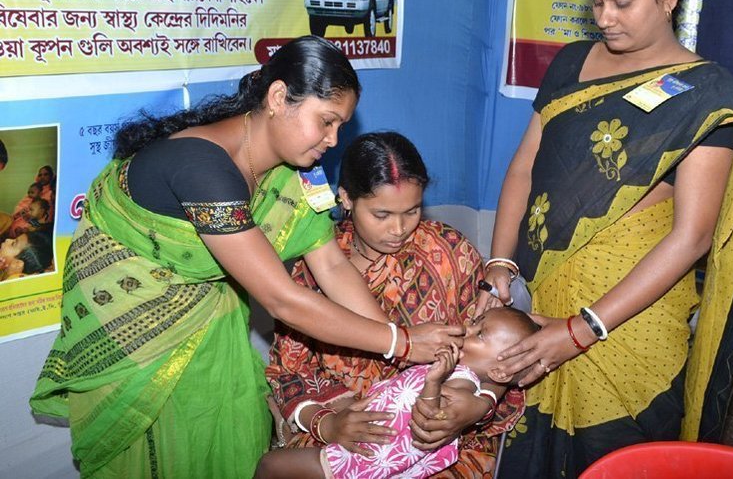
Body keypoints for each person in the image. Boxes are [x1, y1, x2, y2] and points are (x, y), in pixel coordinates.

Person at [29, 36, 463, 479]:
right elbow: (282, 300)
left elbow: (331, 265)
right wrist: (401, 343)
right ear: (278, 98)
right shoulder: (201, 167)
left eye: (340, 126)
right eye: (326, 121)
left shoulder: (298, 172)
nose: (333, 140)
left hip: (212, 336)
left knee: (230, 448)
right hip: (138, 345)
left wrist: (401, 346)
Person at [475, 0, 733, 478]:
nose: (605, 18)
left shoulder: (707, 97)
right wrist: (500, 262)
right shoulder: (571, 64)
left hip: (626, 318)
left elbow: (693, 237)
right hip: (541, 289)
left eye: (621, 2)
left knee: (613, 456)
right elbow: (524, 168)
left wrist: (582, 329)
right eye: (596, 2)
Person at [265, 131, 524, 477]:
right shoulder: (314, 268)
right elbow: (291, 371)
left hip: (440, 440)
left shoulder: (449, 254)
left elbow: (502, 352)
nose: (399, 229)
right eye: (382, 214)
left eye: (412, 211)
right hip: (345, 433)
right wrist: (327, 424)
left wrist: (480, 405)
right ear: (346, 198)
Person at [257, 307, 539, 479]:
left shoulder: (463, 383)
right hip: (369, 450)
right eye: (475, 321)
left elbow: (430, 418)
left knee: (271, 465)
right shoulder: (460, 369)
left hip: (360, 460)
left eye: (480, 334)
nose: (468, 328)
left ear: (499, 372)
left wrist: (433, 381)